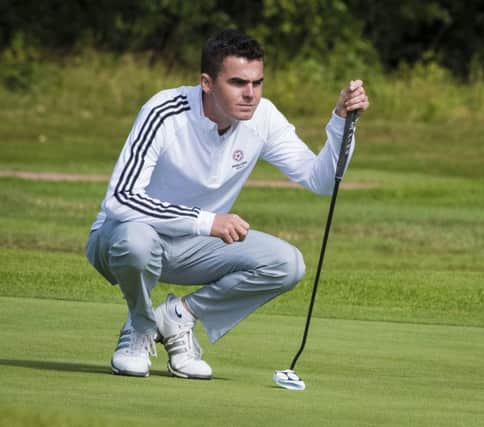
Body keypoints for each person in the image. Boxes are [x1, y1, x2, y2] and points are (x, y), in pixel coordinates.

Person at [85, 29, 369, 379]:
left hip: (191, 248)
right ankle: (140, 330)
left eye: (257, 82)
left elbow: (320, 180)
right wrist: (208, 222)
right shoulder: (164, 110)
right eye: (238, 83)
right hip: (119, 239)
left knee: (287, 263)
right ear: (207, 82)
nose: (250, 94)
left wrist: (341, 122)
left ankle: (177, 318)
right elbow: (121, 198)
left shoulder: (263, 117)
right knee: (136, 241)